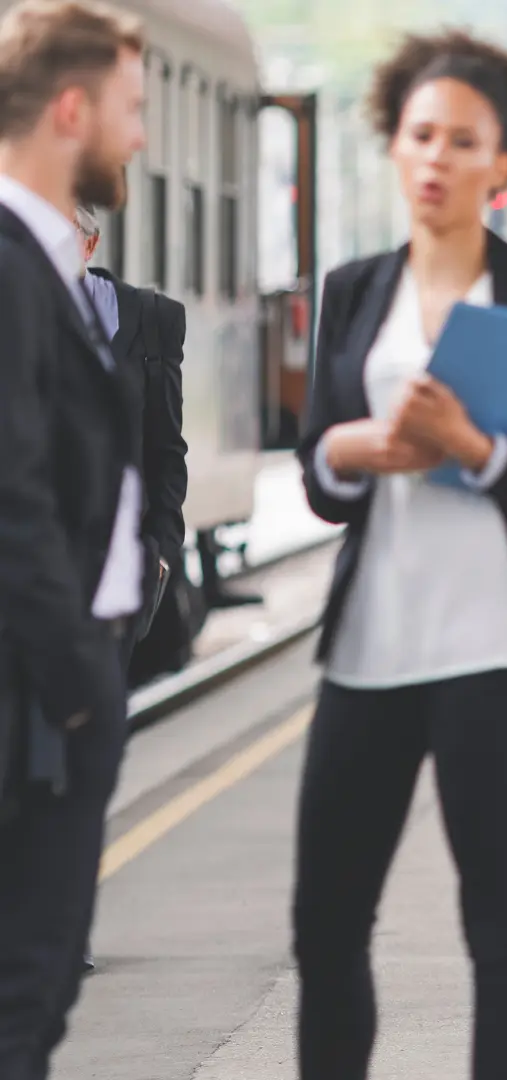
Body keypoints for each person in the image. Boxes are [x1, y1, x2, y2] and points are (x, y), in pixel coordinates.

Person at [291, 30, 507, 1080]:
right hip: (371, 647)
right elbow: (319, 471)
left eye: (463, 141)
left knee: (498, 922)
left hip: (501, 649)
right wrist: (353, 449)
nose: (436, 158)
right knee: (325, 925)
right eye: (421, 136)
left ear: (503, 164)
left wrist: (475, 448)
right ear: (394, 145)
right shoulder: (356, 288)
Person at [0, 1, 149, 1075]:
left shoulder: (38, 260)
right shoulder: (11, 269)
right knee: (26, 1000)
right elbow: (11, 496)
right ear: (70, 109)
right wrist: (83, 683)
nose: (139, 135)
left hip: (46, 698)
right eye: (131, 109)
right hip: (36, 707)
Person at [75, 203, 190, 671]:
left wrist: (157, 556)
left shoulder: (147, 321)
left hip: (115, 574)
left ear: (90, 243)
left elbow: (167, 451)